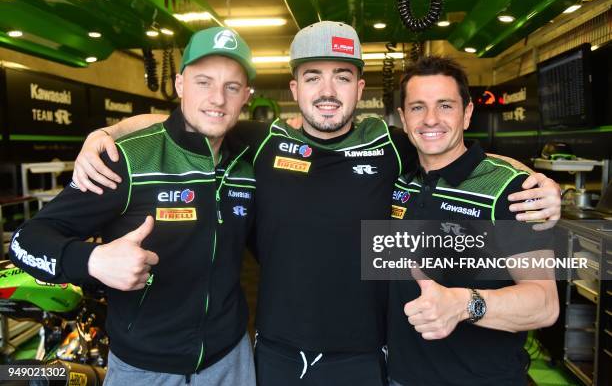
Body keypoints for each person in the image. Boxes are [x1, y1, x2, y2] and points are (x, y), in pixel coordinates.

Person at [69, 22, 561, 386]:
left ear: (360, 89)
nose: (327, 91)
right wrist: (105, 132)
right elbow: (195, 116)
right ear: (294, 88)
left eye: (342, 77)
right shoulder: (262, 142)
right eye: (313, 77)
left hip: (366, 357)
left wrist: (533, 179)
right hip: (277, 353)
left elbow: (446, 144)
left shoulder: (391, 144)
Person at [9, 27, 257, 386]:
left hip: (232, 361)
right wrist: (93, 261)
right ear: (180, 85)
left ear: (246, 95)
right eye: (203, 82)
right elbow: (26, 240)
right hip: (144, 370)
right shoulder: (126, 159)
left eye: (232, 87)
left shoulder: (250, 159)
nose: (218, 98)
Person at [387, 56, 559, 386]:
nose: (431, 119)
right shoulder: (400, 178)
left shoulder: (511, 190)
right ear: (404, 119)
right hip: (400, 377)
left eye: (445, 106)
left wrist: (466, 304)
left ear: (466, 114)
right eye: (418, 107)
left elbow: (545, 304)